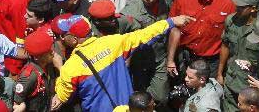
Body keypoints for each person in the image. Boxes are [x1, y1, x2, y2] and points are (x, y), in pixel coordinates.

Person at [53, 13, 196, 112]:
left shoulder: (70, 67)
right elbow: (145, 35)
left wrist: (60, 66)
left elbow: (63, 96)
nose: (62, 38)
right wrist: (171, 21)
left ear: (73, 39)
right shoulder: (114, 43)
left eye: (64, 36)